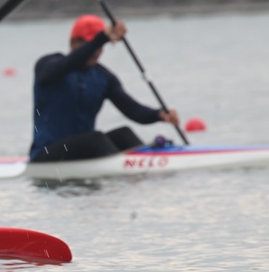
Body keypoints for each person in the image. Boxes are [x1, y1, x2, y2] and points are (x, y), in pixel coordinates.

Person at [29, 14, 180, 162]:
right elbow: (67, 64)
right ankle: (126, 170)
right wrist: (100, 38)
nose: (97, 51)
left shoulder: (103, 76)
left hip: (82, 152)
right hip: (47, 153)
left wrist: (159, 115)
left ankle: (145, 171)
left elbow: (133, 110)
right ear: (73, 42)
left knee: (124, 133)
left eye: (101, 46)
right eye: (92, 44)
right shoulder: (47, 65)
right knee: (96, 138)